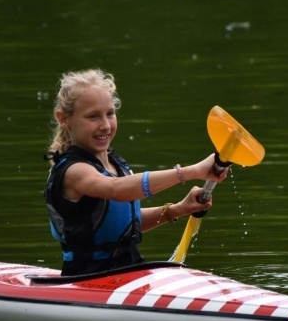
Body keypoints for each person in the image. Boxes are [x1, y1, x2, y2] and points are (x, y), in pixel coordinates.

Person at [44, 68, 228, 276]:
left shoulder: (114, 164)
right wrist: (192, 171)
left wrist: (178, 209)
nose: (105, 125)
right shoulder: (74, 172)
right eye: (93, 116)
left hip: (131, 270)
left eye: (110, 114)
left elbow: (122, 222)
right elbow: (117, 190)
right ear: (63, 119)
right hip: (87, 276)